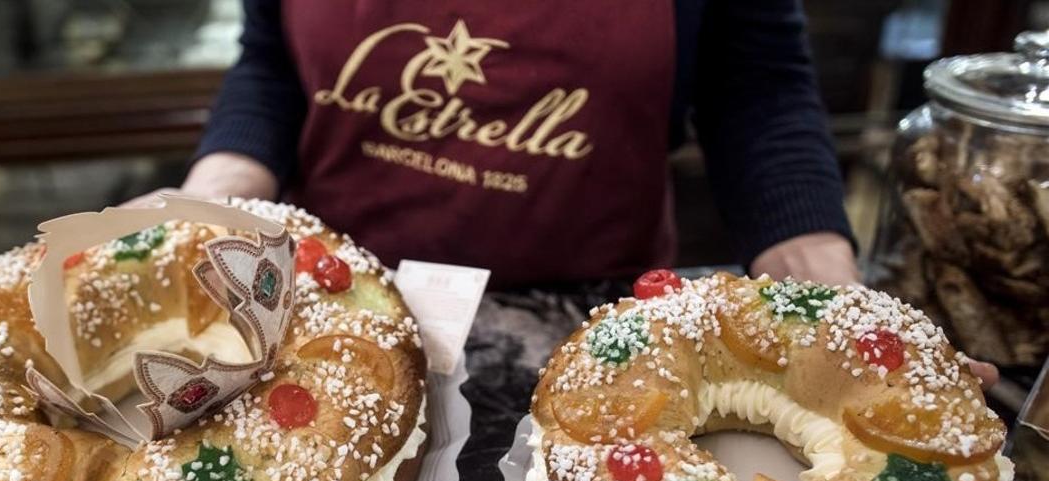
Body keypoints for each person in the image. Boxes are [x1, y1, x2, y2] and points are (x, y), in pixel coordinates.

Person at [135, 0, 998, 385]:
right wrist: (209, 201)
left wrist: (833, 298)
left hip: (596, 333)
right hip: (334, 316)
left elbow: (756, 90)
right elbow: (274, 64)